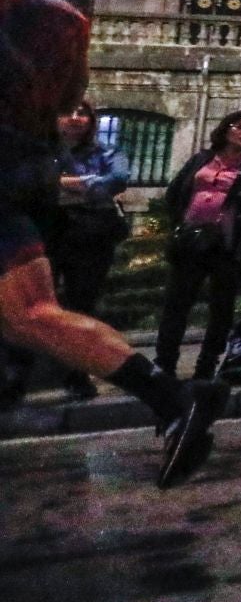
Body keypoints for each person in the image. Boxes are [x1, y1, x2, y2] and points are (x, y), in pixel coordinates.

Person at [0, 0, 225, 485]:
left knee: (30, 314)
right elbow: (68, 94)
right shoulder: (65, 20)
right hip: (20, 169)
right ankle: (174, 402)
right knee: (33, 314)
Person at [155, 109, 241, 381]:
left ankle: (206, 365)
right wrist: (179, 223)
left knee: (221, 307)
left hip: (228, 245)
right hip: (190, 241)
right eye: (239, 126)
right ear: (226, 129)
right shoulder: (203, 158)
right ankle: (164, 363)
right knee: (176, 304)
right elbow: (176, 192)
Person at [47, 101, 132, 398]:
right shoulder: (43, 151)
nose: (75, 118)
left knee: (82, 305)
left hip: (91, 235)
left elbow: (117, 179)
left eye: (82, 113)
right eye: (67, 111)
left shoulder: (107, 152)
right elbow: (26, 183)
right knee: (37, 304)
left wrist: (63, 185)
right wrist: (85, 185)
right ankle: (20, 376)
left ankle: (77, 373)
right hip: (48, 232)